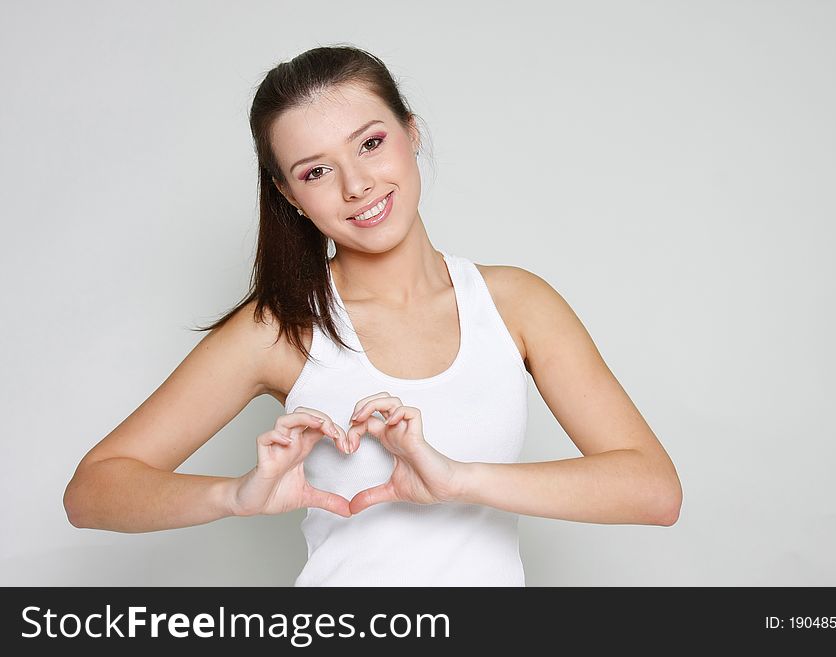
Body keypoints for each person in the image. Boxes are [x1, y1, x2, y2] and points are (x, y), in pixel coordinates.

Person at [63, 44, 682, 586]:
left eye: (371, 142)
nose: (356, 184)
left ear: (412, 133)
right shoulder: (280, 327)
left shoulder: (517, 303)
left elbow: (653, 491)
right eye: (317, 171)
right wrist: (235, 495)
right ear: (290, 196)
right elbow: (93, 491)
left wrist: (457, 478)